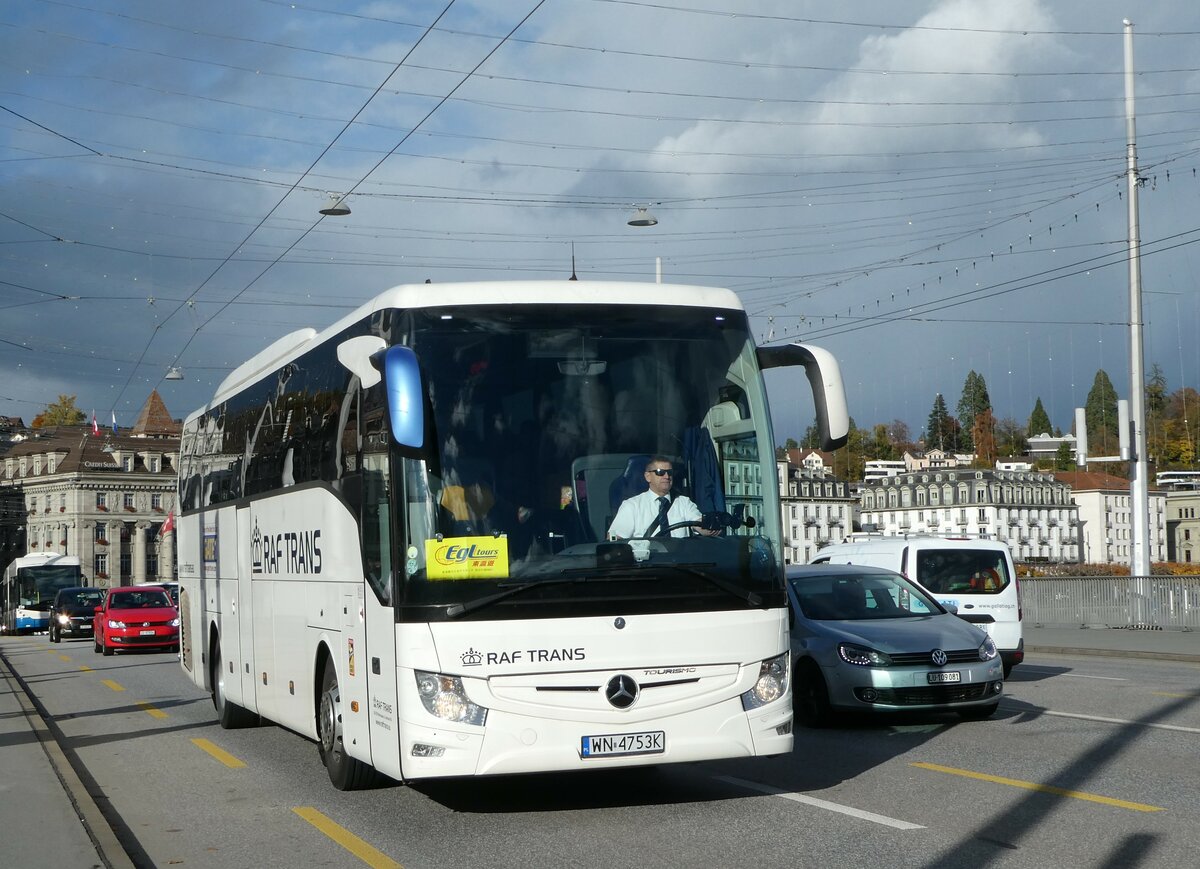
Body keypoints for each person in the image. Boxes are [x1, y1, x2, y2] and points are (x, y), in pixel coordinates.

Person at [607, 455, 716, 539]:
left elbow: (699, 523)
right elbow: (616, 541)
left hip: (680, 564)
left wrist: (710, 527)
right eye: (660, 472)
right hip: (647, 565)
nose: (667, 476)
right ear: (648, 476)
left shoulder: (684, 503)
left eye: (670, 472)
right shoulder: (632, 506)